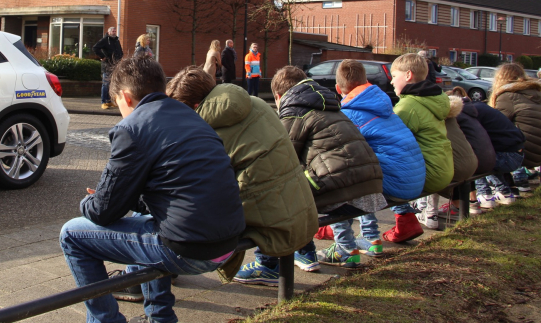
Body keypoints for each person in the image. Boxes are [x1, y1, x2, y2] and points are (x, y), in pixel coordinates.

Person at [59, 57, 245, 323]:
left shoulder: (132, 128)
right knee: (142, 221)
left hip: (190, 249)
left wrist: (89, 202)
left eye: (117, 105)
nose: (119, 112)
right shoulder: (191, 117)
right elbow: (176, 192)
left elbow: (102, 212)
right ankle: (160, 317)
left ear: (125, 96)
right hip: (229, 244)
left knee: (72, 235)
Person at [166, 67, 318, 286]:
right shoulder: (256, 103)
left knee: (163, 208)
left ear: (196, 106)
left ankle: (152, 275)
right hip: (298, 206)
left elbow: (193, 181)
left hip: (273, 218)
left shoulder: (205, 130)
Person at [272, 66, 384, 270]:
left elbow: (282, 159)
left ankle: (301, 254)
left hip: (344, 190)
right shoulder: (330, 105)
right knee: (322, 177)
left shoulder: (294, 112)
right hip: (372, 186)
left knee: (287, 191)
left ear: (279, 97)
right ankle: (346, 247)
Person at [333, 60, 425, 256]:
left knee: (341, 178)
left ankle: (346, 248)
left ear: (337, 88)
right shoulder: (383, 105)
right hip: (414, 180)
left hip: (396, 185)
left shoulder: (350, 114)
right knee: (367, 165)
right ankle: (370, 235)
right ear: (366, 80)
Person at [382, 53, 454, 243]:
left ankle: (351, 236)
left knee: (368, 171)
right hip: (444, 167)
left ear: (408, 75)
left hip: (428, 174)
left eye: (394, 76)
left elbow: (387, 140)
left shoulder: (409, 106)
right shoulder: (435, 98)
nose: (391, 82)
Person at [416, 95, 479, 229]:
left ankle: (429, 213)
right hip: (472, 165)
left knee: (429, 165)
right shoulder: (451, 116)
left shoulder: (426, 115)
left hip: (450, 169)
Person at [489, 63, 540, 195]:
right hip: (537, 152)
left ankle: (501, 191)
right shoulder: (536, 91)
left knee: (483, 151)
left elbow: (496, 127)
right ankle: (519, 182)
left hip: (526, 152)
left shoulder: (507, 96)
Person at [468, 98, 526, 207]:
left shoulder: (472, 114)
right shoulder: (480, 108)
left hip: (509, 157)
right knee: (488, 156)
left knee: (474, 160)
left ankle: (484, 194)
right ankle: (504, 193)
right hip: (517, 154)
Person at [93, 27, 123, 110]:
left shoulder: (116, 40)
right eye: (112, 31)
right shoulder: (105, 40)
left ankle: (109, 101)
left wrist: (120, 57)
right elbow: (95, 48)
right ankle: (103, 102)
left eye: (115, 31)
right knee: (105, 84)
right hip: (107, 65)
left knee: (112, 84)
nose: (114, 32)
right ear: (108, 32)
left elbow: (119, 50)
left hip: (115, 65)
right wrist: (102, 56)